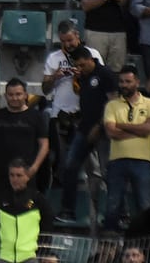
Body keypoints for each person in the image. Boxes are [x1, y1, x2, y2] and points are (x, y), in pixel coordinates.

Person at [0, 78, 49, 252]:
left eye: (18, 94)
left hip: (24, 178)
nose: (15, 98)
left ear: (25, 95)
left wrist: (33, 169)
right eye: (11, 95)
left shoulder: (36, 117)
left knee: (21, 219)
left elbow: (44, 145)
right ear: (5, 96)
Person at [55, 46, 118, 225]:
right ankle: (68, 211)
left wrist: (99, 125)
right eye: (78, 66)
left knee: (109, 172)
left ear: (90, 58)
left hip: (104, 129)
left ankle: (118, 214)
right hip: (84, 127)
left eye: (83, 64)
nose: (80, 68)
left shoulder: (105, 73)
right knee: (70, 166)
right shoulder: (82, 76)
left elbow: (113, 102)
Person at [42, 22, 103, 191]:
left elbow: (101, 81)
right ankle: (65, 205)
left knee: (93, 165)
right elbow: (45, 89)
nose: (68, 44)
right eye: (63, 41)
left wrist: (84, 74)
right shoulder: (54, 58)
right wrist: (54, 77)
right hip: (60, 115)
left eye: (70, 40)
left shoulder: (93, 54)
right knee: (63, 162)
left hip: (86, 115)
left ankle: (95, 203)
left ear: (77, 35)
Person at [102, 65, 150, 231]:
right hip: (117, 161)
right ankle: (109, 245)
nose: (124, 85)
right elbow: (111, 132)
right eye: (121, 81)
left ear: (137, 82)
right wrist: (139, 131)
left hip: (142, 161)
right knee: (112, 205)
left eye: (128, 81)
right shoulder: (112, 105)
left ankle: (146, 244)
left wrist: (121, 125)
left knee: (145, 204)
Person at [0, 159, 53, 263]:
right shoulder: (2, 199)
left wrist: (44, 253)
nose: (14, 179)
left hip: (29, 257)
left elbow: (47, 227)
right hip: (4, 257)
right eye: (11, 175)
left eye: (19, 175)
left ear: (27, 177)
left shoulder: (37, 199)